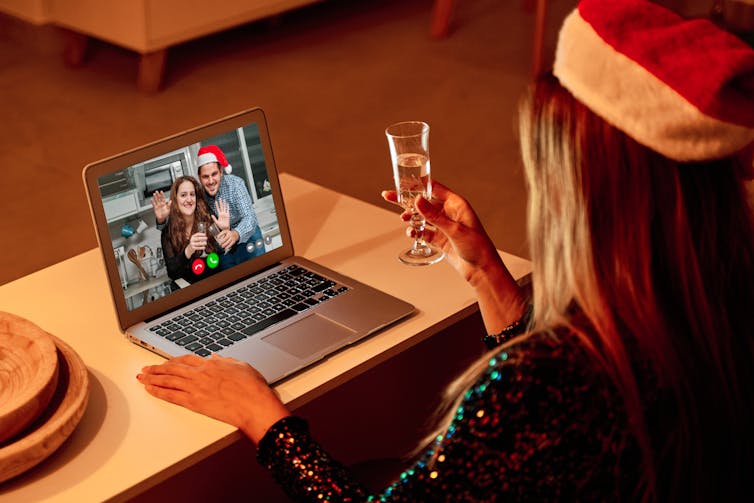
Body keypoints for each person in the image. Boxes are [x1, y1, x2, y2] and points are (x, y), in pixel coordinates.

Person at [137, 0, 754, 501]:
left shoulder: (536, 385)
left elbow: (549, 402)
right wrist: (491, 277)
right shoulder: (716, 304)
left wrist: (264, 418)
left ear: (583, 193)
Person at [152, 144, 265, 270]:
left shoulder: (235, 185)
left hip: (248, 240)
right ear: (199, 177)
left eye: (214, 174)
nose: (211, 181)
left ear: (221, 172)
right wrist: (161, 220)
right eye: (205, 176)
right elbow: (181, 216)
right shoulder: (199, 195)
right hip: (223, 247)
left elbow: (250, 218)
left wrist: (235, 234)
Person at [161, 176, 229, 284]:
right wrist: (189, 250)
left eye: (192, 194)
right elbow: (172, 273)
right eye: (183, 195)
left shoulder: (207, 220)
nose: (189, 200)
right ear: (175, 199)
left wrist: (226, 231)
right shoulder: (167, 233)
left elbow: (226, 249)